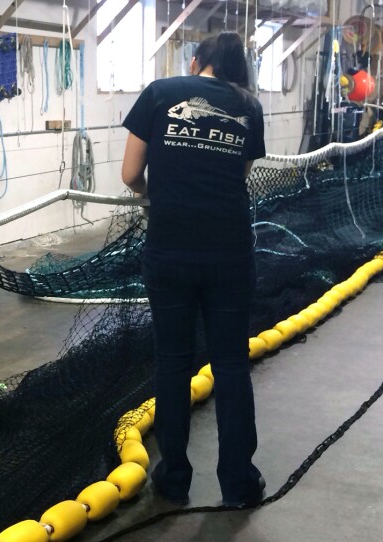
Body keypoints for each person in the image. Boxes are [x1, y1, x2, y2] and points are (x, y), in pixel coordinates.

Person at [120, 32, 266, 508]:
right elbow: (239, 177)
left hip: (171, 249)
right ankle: (239, 484)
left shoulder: (161, 93)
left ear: (196, 59)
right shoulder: (250, 107)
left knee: (173, 363)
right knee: (229, 364)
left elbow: (129, 175)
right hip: (229, 250)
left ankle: (174, 478)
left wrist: (152, 193)